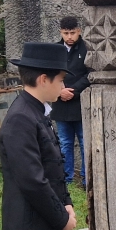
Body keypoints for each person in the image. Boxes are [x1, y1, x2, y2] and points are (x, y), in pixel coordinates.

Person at [0, 42, 76, 230]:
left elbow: (52, 165)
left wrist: (66, 202)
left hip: (45, 216)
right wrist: (61, 218)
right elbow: (31, 180)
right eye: (61, 80)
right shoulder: (21, 117)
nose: (64, 86)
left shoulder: (37, 111)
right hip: (32, 221)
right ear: (43, 79)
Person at [49, 16, 90, 188]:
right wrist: (60, 90)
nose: (69, 37)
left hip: (80, 101)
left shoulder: (87, 48)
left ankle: (87, 176)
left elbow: (90, 73)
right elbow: (50, 73)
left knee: (83, 141)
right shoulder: (55, 49)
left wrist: (74, 91)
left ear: (79, 31)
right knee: (64, 142)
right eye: (66, 33)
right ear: (61, 32)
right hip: (60, 101)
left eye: (73, 33)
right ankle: (66, 177)